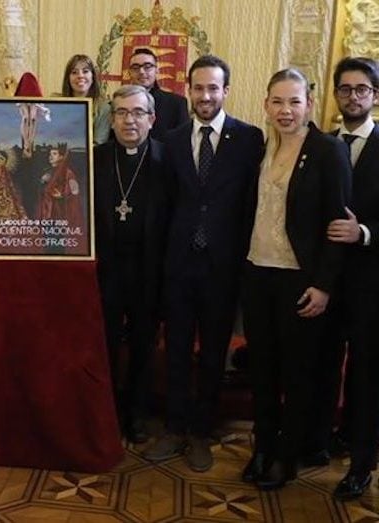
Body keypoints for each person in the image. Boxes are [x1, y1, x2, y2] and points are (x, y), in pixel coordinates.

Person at [143, 56, 264, 472]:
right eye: (199, 88)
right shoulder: (172, 141)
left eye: (214, 88)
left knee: (213, 353)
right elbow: (163, 207)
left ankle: (201, 432)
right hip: (178, 266)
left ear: (226, 90)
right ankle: (175, 427)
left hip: (223, 268)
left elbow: (252, 204)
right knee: (176, 350)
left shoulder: (249, 139)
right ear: (188, 90)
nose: (206, 96)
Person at [240, 68, 349, 490]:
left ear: (309, 103)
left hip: (299, 281)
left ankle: (288, 457)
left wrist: (323, 285)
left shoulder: (327, 150)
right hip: (257, 273)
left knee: (298, 372)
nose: (286, 111)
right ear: (266, 105)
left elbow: (338, 226)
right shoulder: (261, 148)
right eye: (278, 102)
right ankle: (263, 447)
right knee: (262, 370)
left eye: (294, 101)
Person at [93, 85, 168, 444]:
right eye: (121, 112)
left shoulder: (166, 162)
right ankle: (105, 410)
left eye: (138, 112)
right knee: (104, 341)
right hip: (106, 270)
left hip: (147, 269)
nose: (129, 120)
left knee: (143, 343)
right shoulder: (95, 159)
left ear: (151, 119)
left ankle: (138, 413)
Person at [322, 57, 379, 500]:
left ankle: (362, 463)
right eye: (346, 89)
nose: (353, 96)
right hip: (326, 280)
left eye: (362, 89)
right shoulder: (324, 144)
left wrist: (363, 232)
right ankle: (323, 440)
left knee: (365, 376)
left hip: (370, 285)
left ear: (375, 97)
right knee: (321, 365)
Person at [128, 48, 189, 141]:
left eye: (147, 67)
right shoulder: (119, 104)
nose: (141, 71)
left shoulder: (177, 104)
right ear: (129, 73)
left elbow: (183, 141)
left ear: (157, 70)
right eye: (135, 68)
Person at [61, 54, 111, 144]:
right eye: (74, 72)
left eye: (85, 71)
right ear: (68, 79)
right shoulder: (57, 103)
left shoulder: (104, 108)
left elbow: (98, 144)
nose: (80, 76)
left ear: (93, 77)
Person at [39, 143, 82, 227]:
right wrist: (42, 181)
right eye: (50, 154)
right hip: (47, 213)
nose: (50, 156)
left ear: (61, 157)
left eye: (54, 154)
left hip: (59, 213)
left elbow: (75, 190)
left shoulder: (68, 173)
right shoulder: (47, 172)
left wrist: (62, 195)